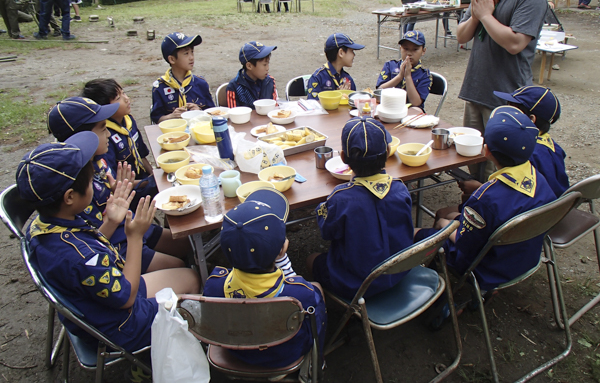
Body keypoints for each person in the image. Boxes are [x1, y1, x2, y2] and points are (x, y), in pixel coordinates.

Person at [15, 132, 200, 355]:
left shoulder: (45, 225)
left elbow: (95, 258)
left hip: (101, 299)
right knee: (192, 279)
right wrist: (135, 237)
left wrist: (111, 222)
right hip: (120, 324)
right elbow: (126, 297)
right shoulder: (80, 256)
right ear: (70, 196)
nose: (95, 180)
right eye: (90, 178)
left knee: (183, 271)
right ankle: (170, 351)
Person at [419, 106, 556, 291]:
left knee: (420, 231)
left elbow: (463, 243)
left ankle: (436, 288)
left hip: (486, 269)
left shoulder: (485, 199)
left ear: (486, 150)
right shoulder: (541, 180)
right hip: (523, 258)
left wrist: (443, 224)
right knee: (450, 216)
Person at [48, 97, 190, 272]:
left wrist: (116, 192)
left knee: (186, 245)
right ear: (82, 136)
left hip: (126, 225)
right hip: (116, 246)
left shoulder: (97, 160)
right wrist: (114, 222)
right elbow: (91, 245)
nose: (108, 134)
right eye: (102, 129)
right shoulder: (76, 183)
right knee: (182, 268)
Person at [456, 0, 548, 181]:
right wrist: (476, 15)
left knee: (499, 169)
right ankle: (477, 209)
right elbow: (462, 36)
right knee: (472, 159)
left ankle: (497, 215)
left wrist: (486, 15)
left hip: (508, 95)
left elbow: (516, 43)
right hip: (476, 90)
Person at [203, 188, 326, 368]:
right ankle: (317, 362)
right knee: (317, 291)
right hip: (285, 355)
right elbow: (298, 290)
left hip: (237, 352)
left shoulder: (214, 285)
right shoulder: (299, 295)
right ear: (282, 249)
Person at [307, 117, 416, 300]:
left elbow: (327, 232)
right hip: (399, 272)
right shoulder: (400, 189)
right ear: (388, 152)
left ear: (342, 157)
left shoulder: (341, 199)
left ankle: (342, 310)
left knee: (311, 259)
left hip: (356, 284)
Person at [82, 79, 158, 204]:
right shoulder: (105, 138)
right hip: (127, 191)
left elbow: (141, 155)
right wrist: (152, 181)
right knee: (171, 183)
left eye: (124, 93)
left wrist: (153, 174)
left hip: (142, 178)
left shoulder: (128, 120)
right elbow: (114, 182)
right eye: (118, 98)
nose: (126, 99)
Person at [494, 87, 569, 197]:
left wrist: (478, 187)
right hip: (560, 203)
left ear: (531, 120)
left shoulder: (525, 153)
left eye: (512, 111)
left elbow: (514, 197)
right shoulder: (554, 147)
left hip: (540, 209)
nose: (507, 113)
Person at [151, 32, 215, 124]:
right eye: (186, 53)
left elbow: (213, 113)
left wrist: (200, 112)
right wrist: (171, 116)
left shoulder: (201, 83)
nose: (191, 57)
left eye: (192, 52)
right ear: (172, 59)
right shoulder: (160, 87)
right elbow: (157, 119)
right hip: (173, 134)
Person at [375, 30, 432, 111]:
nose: (409, 53)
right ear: (400, 49)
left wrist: (408, 76)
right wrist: (400, 76)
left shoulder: (425, 75)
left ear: (423, 51)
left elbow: (416, 103)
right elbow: (379, 91)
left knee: (417, 110)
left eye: (415, 49)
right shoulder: (390, 65)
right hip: (389, 106)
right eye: (406, 49)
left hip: (411, 112)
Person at [307, 33, 364, 100]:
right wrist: (337, 97)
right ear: (341, 53)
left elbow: (353, 105)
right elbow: (312, 105)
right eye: (351, 51)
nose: (354, 55)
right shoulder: (318, 78)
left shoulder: (348, 80)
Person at [226, 41, 277, 108]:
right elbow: (233, 115)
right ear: (249, 66)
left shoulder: (270, 81)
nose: (267, 68)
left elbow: (274, 109)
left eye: (268, 64)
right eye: (264, 65)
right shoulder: (234, 87)